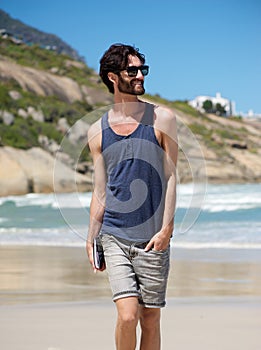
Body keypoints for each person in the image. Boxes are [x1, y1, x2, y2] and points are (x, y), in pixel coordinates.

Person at [86, 43, 178, 350]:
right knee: (127, 316)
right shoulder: (97, 131)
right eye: (132, 70)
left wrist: (167, 229)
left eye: (142, 69)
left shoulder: (162, 119)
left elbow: (171, 176)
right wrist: (91, 237)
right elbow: (100, 190)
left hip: (153, 237)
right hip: (114, 236)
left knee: (150, 319)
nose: (139, 75)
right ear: (113, 77)